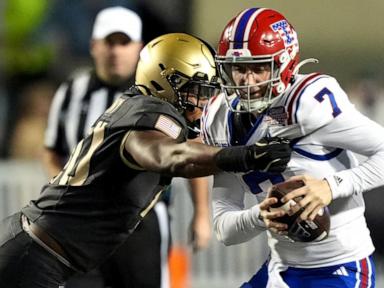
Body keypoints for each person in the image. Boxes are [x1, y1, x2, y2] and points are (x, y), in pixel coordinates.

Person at [0, 32, 292, 288]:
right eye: (197, 90)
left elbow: (186, 157)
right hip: (34, 256)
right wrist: (246, 157)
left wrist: (239, 151)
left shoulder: (140, 107)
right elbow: (172, 157)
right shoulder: (151, 115)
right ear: (166, 80)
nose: (203, 102)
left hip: (39, 252)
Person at [201, 7, 384, 288]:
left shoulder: (307, 103)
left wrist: (330, 186)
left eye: (258, 68)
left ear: (284, 64)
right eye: (238, 68)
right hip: (281, 268)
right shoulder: (218, 119)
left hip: (340, 268)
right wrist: (261, 216)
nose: (246, 81)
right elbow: (225, 228)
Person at [42, 6, 211, 288]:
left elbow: (192, 153)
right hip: (82, 219)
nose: (116, 51)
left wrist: (202, 215)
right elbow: (52, 150)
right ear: (94, 46)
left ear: (140, 49)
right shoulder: (71, 91)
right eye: (110, 42)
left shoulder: (164, 95)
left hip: (140, 218)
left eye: (124, 42)